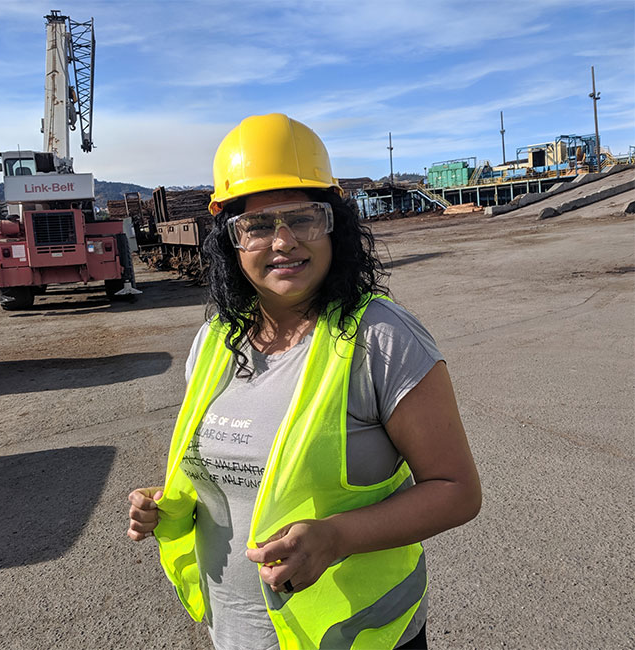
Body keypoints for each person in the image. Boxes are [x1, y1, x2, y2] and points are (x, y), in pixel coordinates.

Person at [128, 113, 481, 650]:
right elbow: (237, 472)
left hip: (360, 638)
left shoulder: (382, 338)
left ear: (335, 223)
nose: (284, 241)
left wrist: (337, 537)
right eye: (259, 225)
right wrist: (170, 502)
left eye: (304, 218)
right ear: (230, 240)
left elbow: (457, 491)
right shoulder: (214, 341)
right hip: (237, 635)